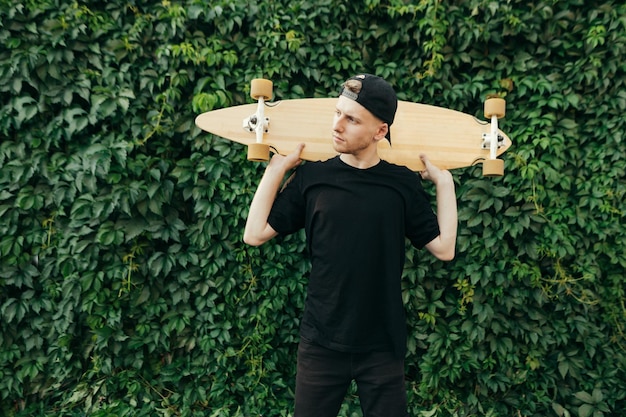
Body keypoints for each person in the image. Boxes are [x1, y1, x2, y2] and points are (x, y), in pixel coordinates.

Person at [243, 74, 458, 417]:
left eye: (352, 119)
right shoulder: (314, 178)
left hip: (382, 344)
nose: (337, 126)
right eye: (337, 113)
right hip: (322, 341)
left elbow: (444, 248)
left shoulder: (401, 184)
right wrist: (277, 169)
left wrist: (443, 182)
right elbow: (254, 234)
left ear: (380, 131)